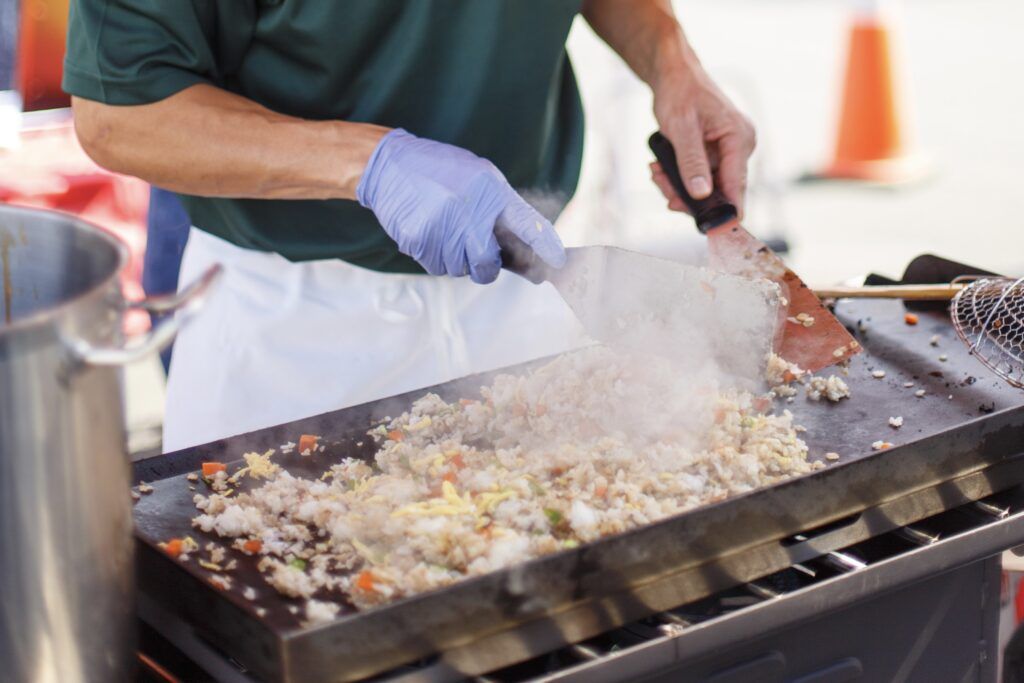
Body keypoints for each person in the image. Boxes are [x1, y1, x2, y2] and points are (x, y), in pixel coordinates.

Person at [63, 1, 756, 452]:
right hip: (294, 333)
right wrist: (371, 163)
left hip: (528, 289)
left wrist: (671, 60)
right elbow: (118, 113)